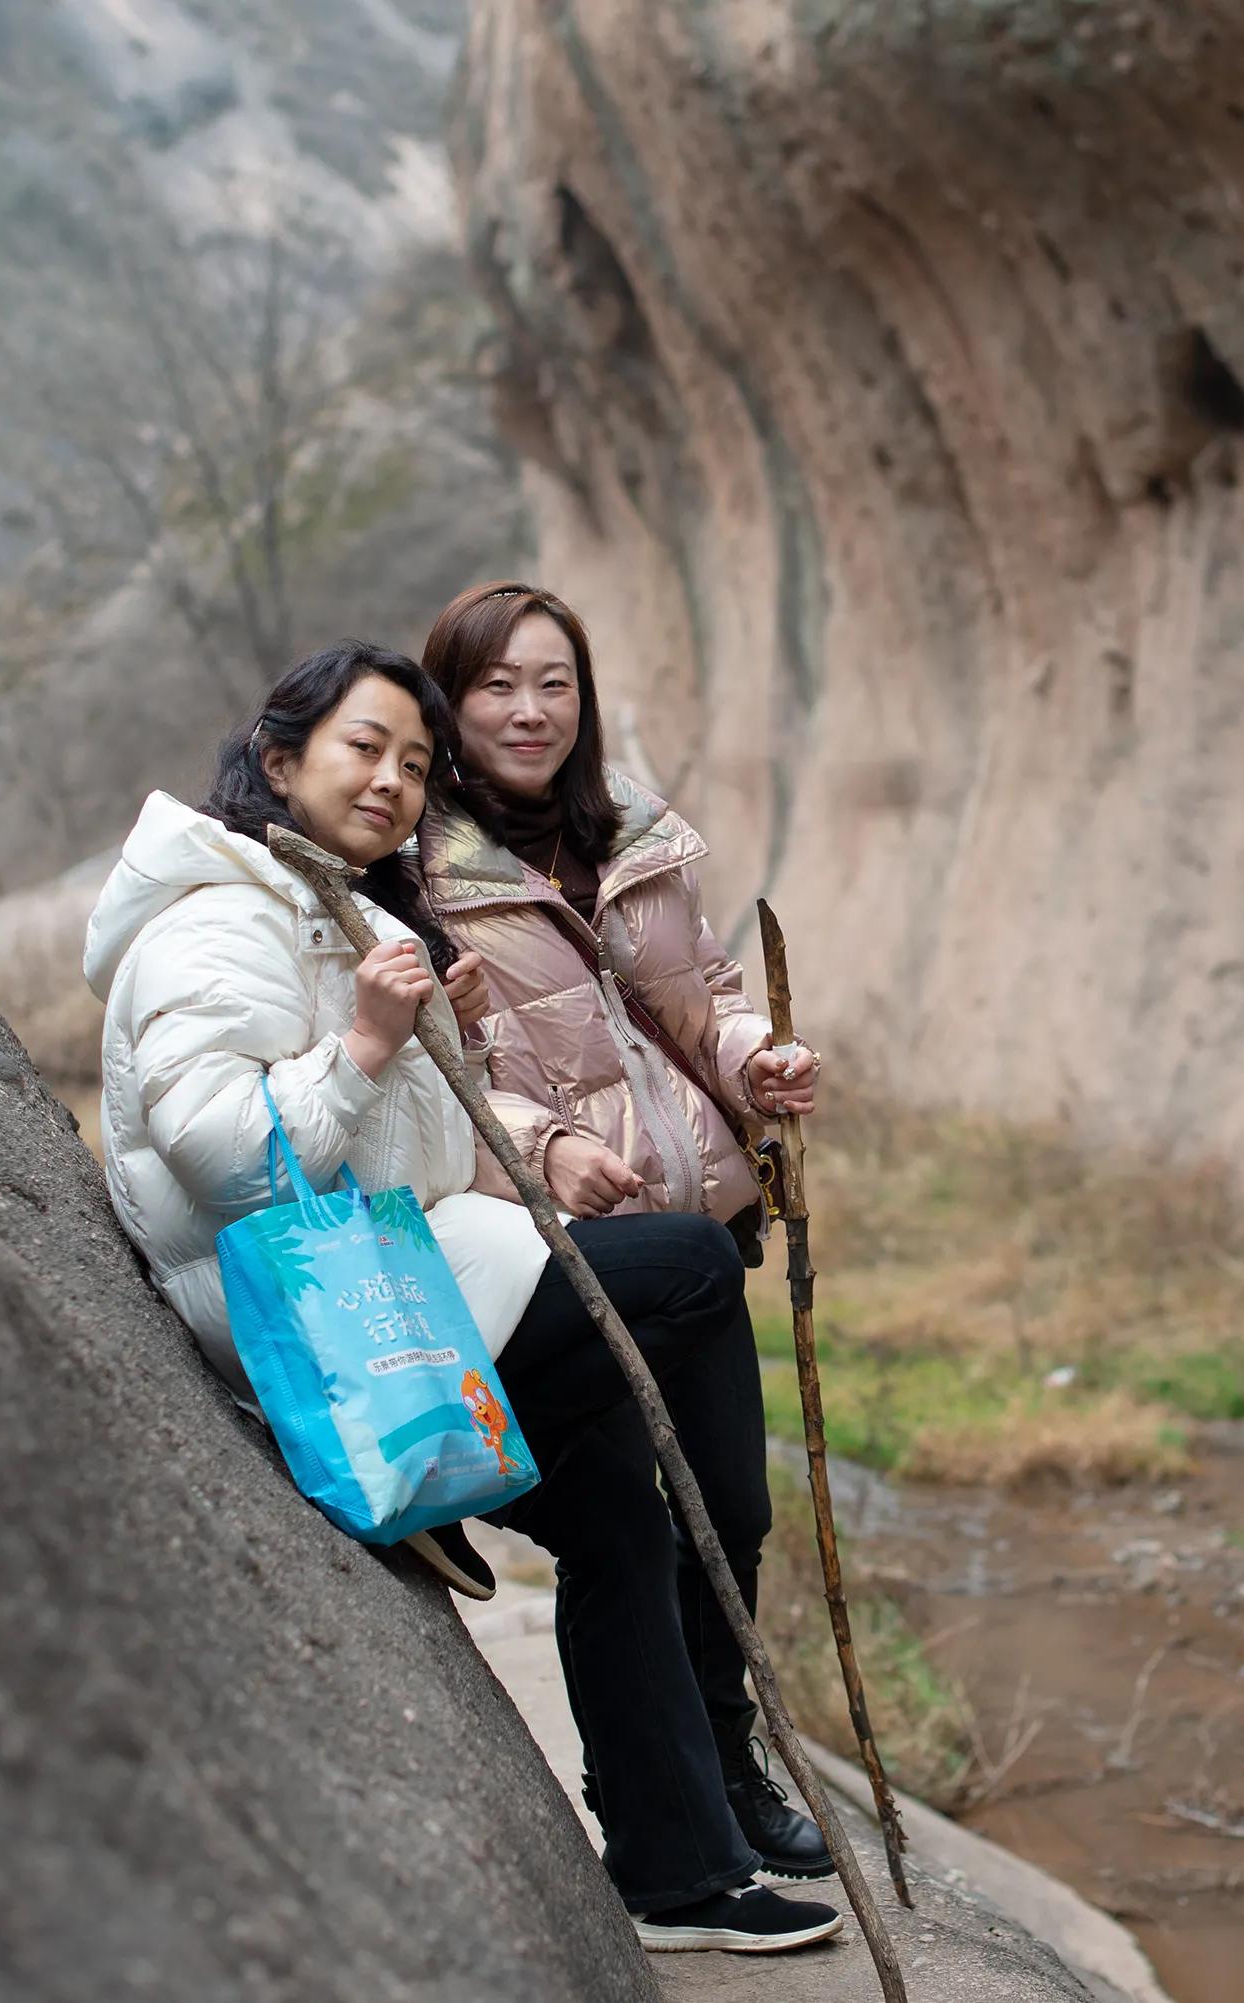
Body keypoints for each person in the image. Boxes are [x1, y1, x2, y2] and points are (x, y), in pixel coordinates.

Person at [82, 640, 840, 1954]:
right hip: (325, 1318)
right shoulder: (218, 918)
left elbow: (411, 1136)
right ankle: (473, 1483)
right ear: (279, 762)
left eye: (415, 764)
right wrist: (374, 1040)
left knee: (618, 1511)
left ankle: (679, 1877)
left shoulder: (341, 912)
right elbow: (224, 1155)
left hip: (404, 1271)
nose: (392, 781)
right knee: (687, 1267)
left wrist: (441, 1034)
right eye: (363, 748)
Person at [414, 581, 832, 1886]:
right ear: (447, 700)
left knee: (731, 1510)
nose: (529, 710)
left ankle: (728, 1766)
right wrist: (544, 1149)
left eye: (555, 683)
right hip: (556, 1248)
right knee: (622, 1526)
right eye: (496, 686)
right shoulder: (416, 868)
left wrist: (757, 1060)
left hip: (694, 1221)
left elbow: (706, 998)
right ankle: (653, 1796)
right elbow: (432, 1066)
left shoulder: (634, 832)